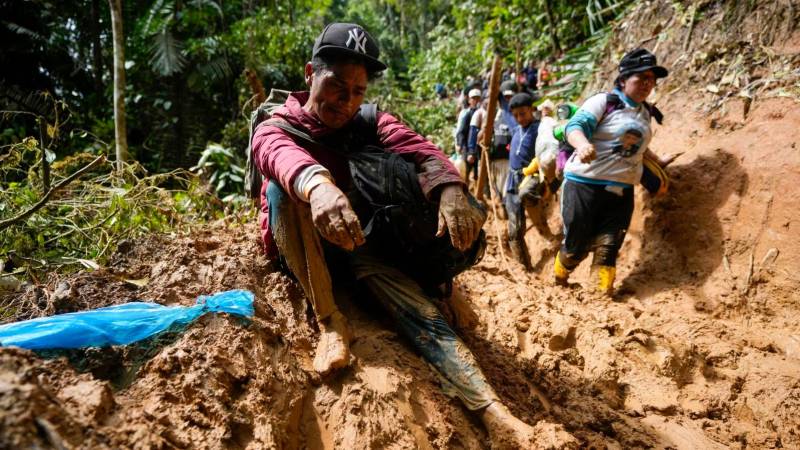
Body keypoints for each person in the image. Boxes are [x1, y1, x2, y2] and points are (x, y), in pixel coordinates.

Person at [250, 23, 553, 446]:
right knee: (283, 192)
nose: (347, 101)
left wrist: (449, 188)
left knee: (422, 317)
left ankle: (492, 411)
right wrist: (317, 186)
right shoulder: (275, 126)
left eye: (358, 92)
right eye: (337, 86)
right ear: (310, 74)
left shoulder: (369, 121)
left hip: (361, 242)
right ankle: (330, 321)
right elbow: (280, 158)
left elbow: (417, 146)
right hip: (305, 245)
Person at [556, 48, 673, 295]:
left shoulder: (646, 112)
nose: (647, 84)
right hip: (583, 185)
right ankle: (560, 277)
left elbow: (639, 147)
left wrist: (658, 162)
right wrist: (583, 144)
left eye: (651, 79)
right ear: (623, 80)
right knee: (575, 247)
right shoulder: (604, 103)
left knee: (609, 246)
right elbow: (574, 127)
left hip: (621, 191)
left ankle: (600, 300)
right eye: (641, 78)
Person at [504, 93, 540, 270]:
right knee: (514, 229)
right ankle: (523, 267)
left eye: (523, 114)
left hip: (530, 178)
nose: (519, 118)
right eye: (516, 115)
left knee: (532, 205)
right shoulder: (516, 129)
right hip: (512, 181)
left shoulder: (540, 129)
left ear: (532, 110)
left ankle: (545, 232)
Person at [456, 89, 482, 185]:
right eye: (473, 98)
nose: (476, 100)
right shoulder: (467, 114)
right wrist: (462, 147)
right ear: (469, 100)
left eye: (477, 98)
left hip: (479, 149)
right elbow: (461, 132)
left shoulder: (483, 113)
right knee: (465, 174)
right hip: (468, 148)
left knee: (478, 174)